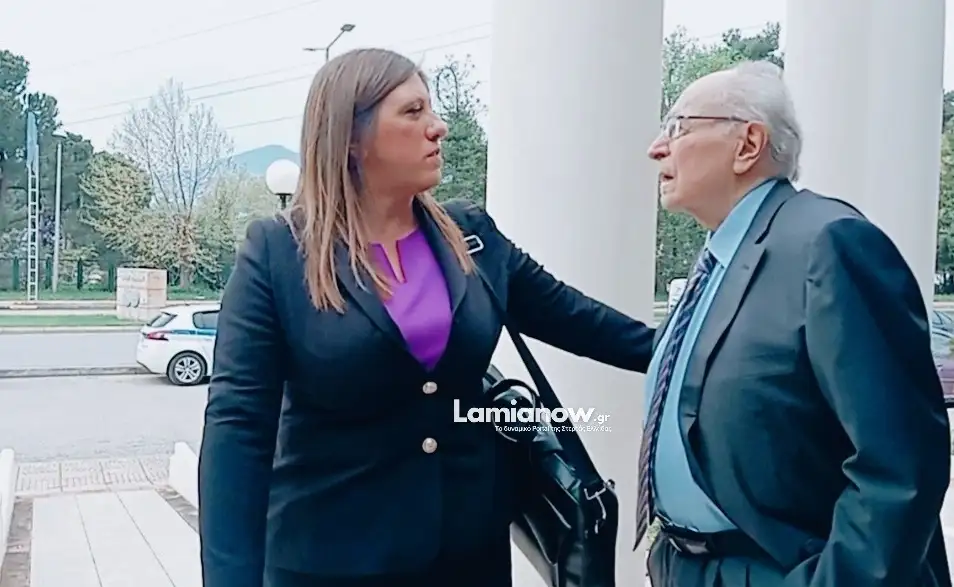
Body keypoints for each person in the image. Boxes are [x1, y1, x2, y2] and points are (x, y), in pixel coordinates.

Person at [197, 47, 656, 587]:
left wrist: (701, 347)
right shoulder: (278, 252)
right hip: (328, 561)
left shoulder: (471, 236)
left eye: (431, 110)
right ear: (350, 137)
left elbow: (583, 322)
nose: (438, 127)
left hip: (469, 557)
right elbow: (237, 431)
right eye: (413, 112)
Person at [636, 60, 951, 586]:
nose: (657, 148)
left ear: (748, 144)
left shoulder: (828, 243)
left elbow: (899, 463)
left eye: (678, 126)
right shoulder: (718, 259)